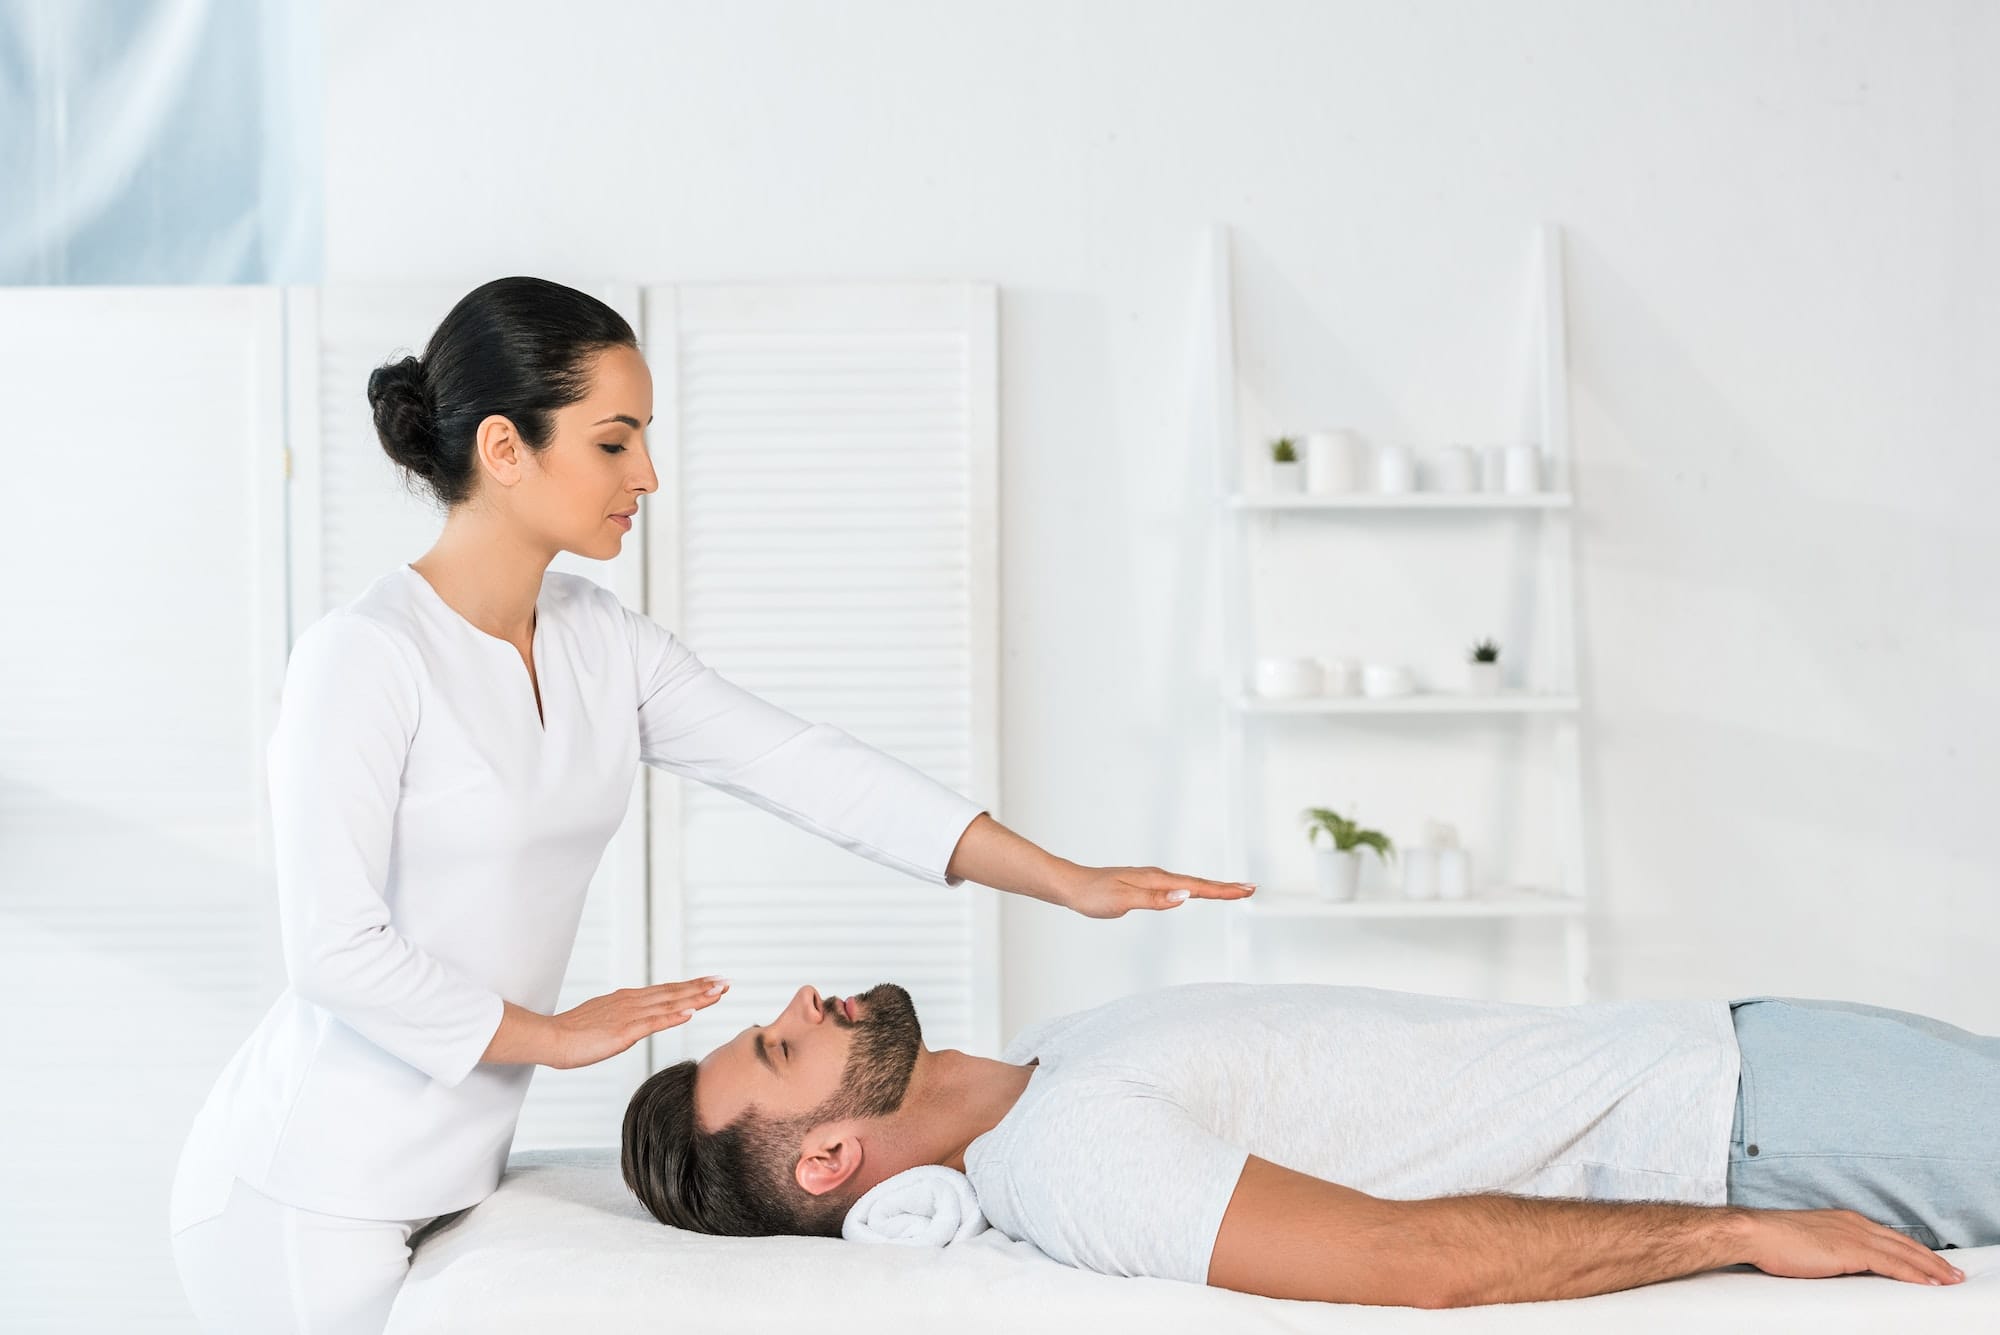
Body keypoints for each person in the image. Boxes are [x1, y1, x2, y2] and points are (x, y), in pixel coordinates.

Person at [167, 275, 1255, 1335]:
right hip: (300, 1188)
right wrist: (546, 1035)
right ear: (504, 449)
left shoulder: (602, 641)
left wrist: (1061, 880)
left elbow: (805, 767)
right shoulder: (364, 656)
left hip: (450, 1171)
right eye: (611, 440)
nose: (643, 473)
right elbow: (331, 951)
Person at [622, 978, 1990, 1307]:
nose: (805, 1000)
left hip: (1746, 1043)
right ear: (825, 1160)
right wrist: (1744, 1230)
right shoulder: (1067, 1158)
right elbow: (1412, 1260)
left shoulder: (1062, 1053)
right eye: (783, 1048)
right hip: (1760, 1131)